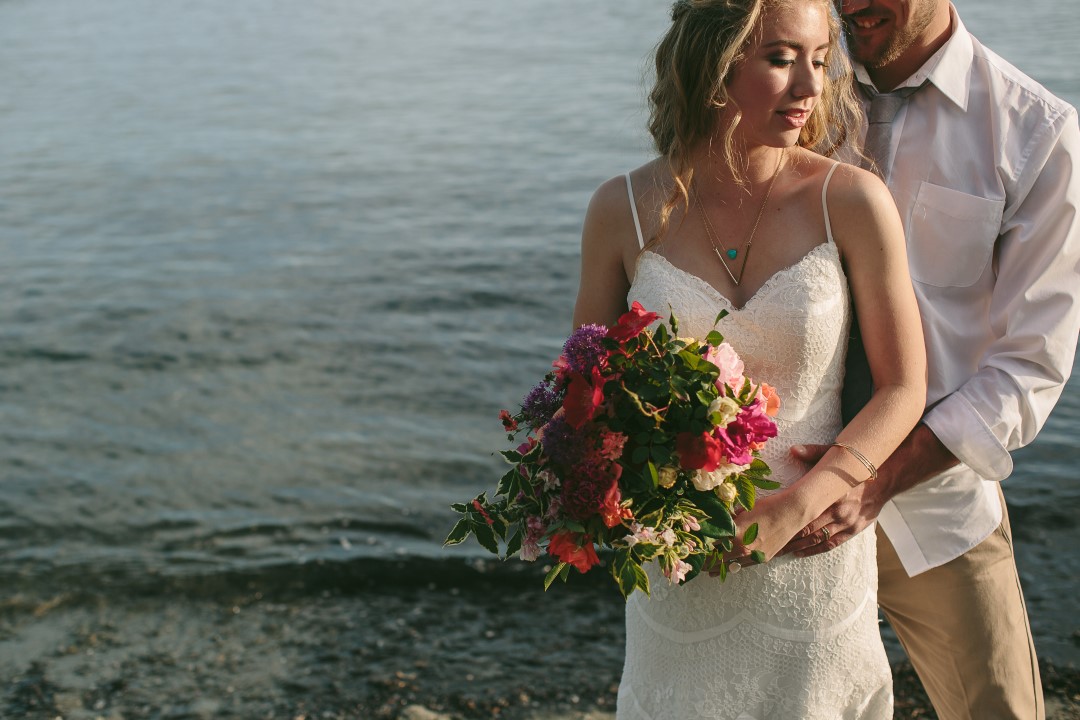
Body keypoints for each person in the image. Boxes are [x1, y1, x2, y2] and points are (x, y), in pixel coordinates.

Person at [572, 0, 927, 716]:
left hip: (815, 555)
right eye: (780, 58)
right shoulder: (624, 208)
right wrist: (620, 492)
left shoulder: (851, 199)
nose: (810, 87)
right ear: (711, 62)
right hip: (683, 561)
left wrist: (801, 504)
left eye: (822, 61)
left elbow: (903, 387)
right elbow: (586, 387)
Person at [782, 1, 1080, 718]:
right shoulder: (797, 98)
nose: (851, 4)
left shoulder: (1035, 132)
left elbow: (1029, 367)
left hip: (934, 505)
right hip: (785, 491)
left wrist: (875, 479)